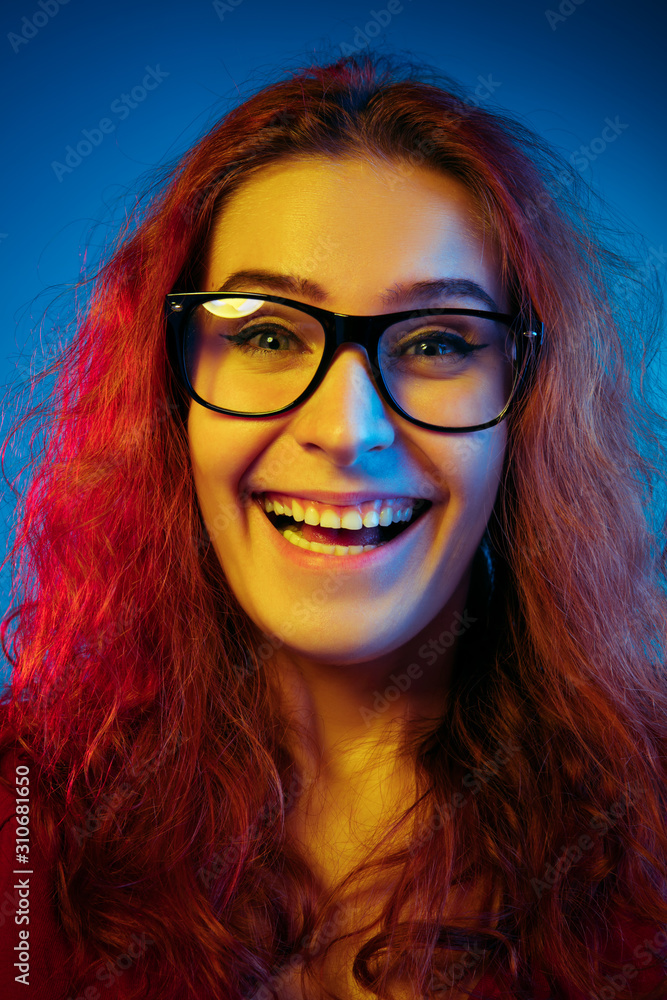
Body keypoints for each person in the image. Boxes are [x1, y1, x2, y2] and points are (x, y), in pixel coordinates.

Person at [0, 50, 666, 1000]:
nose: (347, 430)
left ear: (529, 410)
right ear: (168, 389)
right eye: (267, 334)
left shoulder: (648, 835)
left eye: (437, 341)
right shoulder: (20, 823)